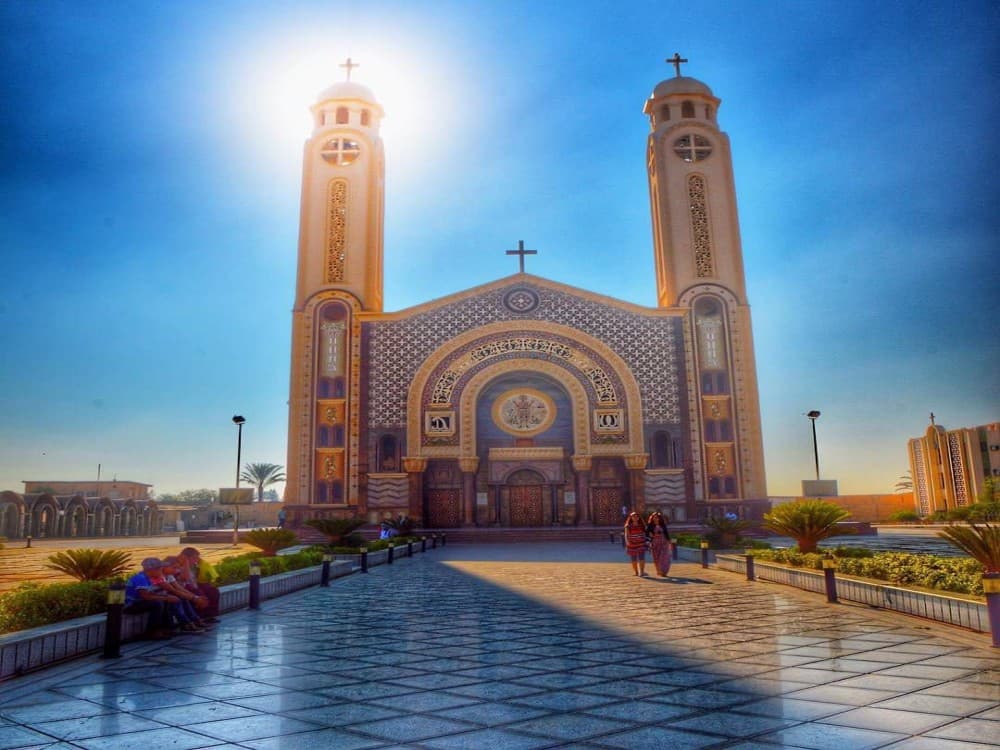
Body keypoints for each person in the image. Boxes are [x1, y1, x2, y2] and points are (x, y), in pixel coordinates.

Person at [124, 557, 177, 640]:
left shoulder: (146, 578)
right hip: (131, 605)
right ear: (151, 570)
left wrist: (166, 597)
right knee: (157, 604)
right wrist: (165, 598)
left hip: (139, 602)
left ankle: (167, 628)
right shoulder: (141, 578)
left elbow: (150, 593)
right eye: (159, 569)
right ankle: (152, 632)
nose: (161, 571)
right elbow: (145, 596)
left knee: (165, 601)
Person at [179, 547, 221, 620]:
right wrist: (186, 564)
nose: (197, 560)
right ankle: (198, 617)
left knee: (213, 591)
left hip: (194, 585)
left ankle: (209, 615)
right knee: (200, 593)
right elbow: (185, 579)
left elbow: (195, 579)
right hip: (184, 587)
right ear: (186, 558)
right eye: (194, 558)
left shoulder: (195, 566)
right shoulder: (179, 565)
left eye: (197, 558)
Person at [646, 511, 672, 577]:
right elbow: (647, 534)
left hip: (663, 542)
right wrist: (650, 536)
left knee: (664, 557)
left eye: (657, 517)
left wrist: (669, 541)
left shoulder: (662, 525)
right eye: (654, 517)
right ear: (652, 518)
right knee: (656, 557)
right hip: (655, 543)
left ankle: (664, 571)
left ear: (659, 518)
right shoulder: (650, 525)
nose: (656, 519)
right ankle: (658, 570)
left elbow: (666, 533)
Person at [623, 511, 648, 576]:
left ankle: (641, 572)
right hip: (632, 544)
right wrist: (627, 542)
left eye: (636, 516)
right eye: (633, 516)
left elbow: (645, 533)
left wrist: (646, 541)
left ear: (639, 518)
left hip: (641, 543)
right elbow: (626, 535)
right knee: (633, 558)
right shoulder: (628, 526)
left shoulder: (642, 525)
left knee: (641, 557)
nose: (635, 518)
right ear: (631, 518)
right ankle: (636, 572)